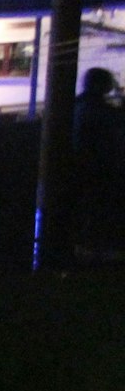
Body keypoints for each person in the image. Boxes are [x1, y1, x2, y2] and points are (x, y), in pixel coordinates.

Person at [72, 67, 125, 260]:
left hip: (83, 165)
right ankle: (94, 248)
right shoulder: (96, 109)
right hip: (98, 167)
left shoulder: (78, 104)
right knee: (98, 209)